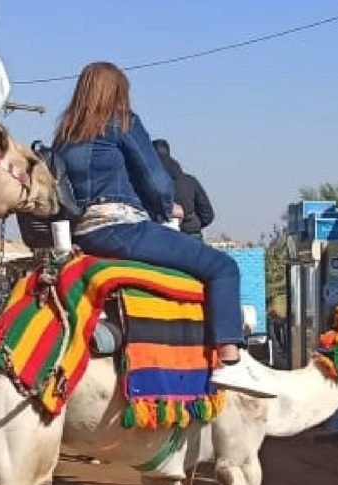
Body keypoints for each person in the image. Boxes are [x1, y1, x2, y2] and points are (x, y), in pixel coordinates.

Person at [53, 62, 275, 398]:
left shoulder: (65, 137)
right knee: (222, 267)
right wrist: (165, 205)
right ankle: (231, 361)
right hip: (123, 229)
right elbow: (154, 176)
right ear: (117, 92)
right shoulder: (121, 121)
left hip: (84, 236)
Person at [151, 139, 215, 240]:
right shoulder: (190, 180)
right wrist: (191, 225)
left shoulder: (144, 182)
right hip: (191, 235)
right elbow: (208, 214)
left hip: (158, 236)